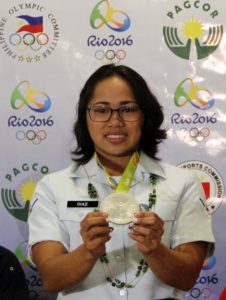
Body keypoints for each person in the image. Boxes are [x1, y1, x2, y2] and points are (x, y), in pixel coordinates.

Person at [28, 64, 215, 300]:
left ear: (144, 116)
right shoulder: (52, 188)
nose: (114, 121)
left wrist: (156, 249)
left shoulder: (183, 183)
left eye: (127, 109)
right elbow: (51, 279)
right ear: (86, 117)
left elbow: (187, 278)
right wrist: (88, 251)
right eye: (101, 110)